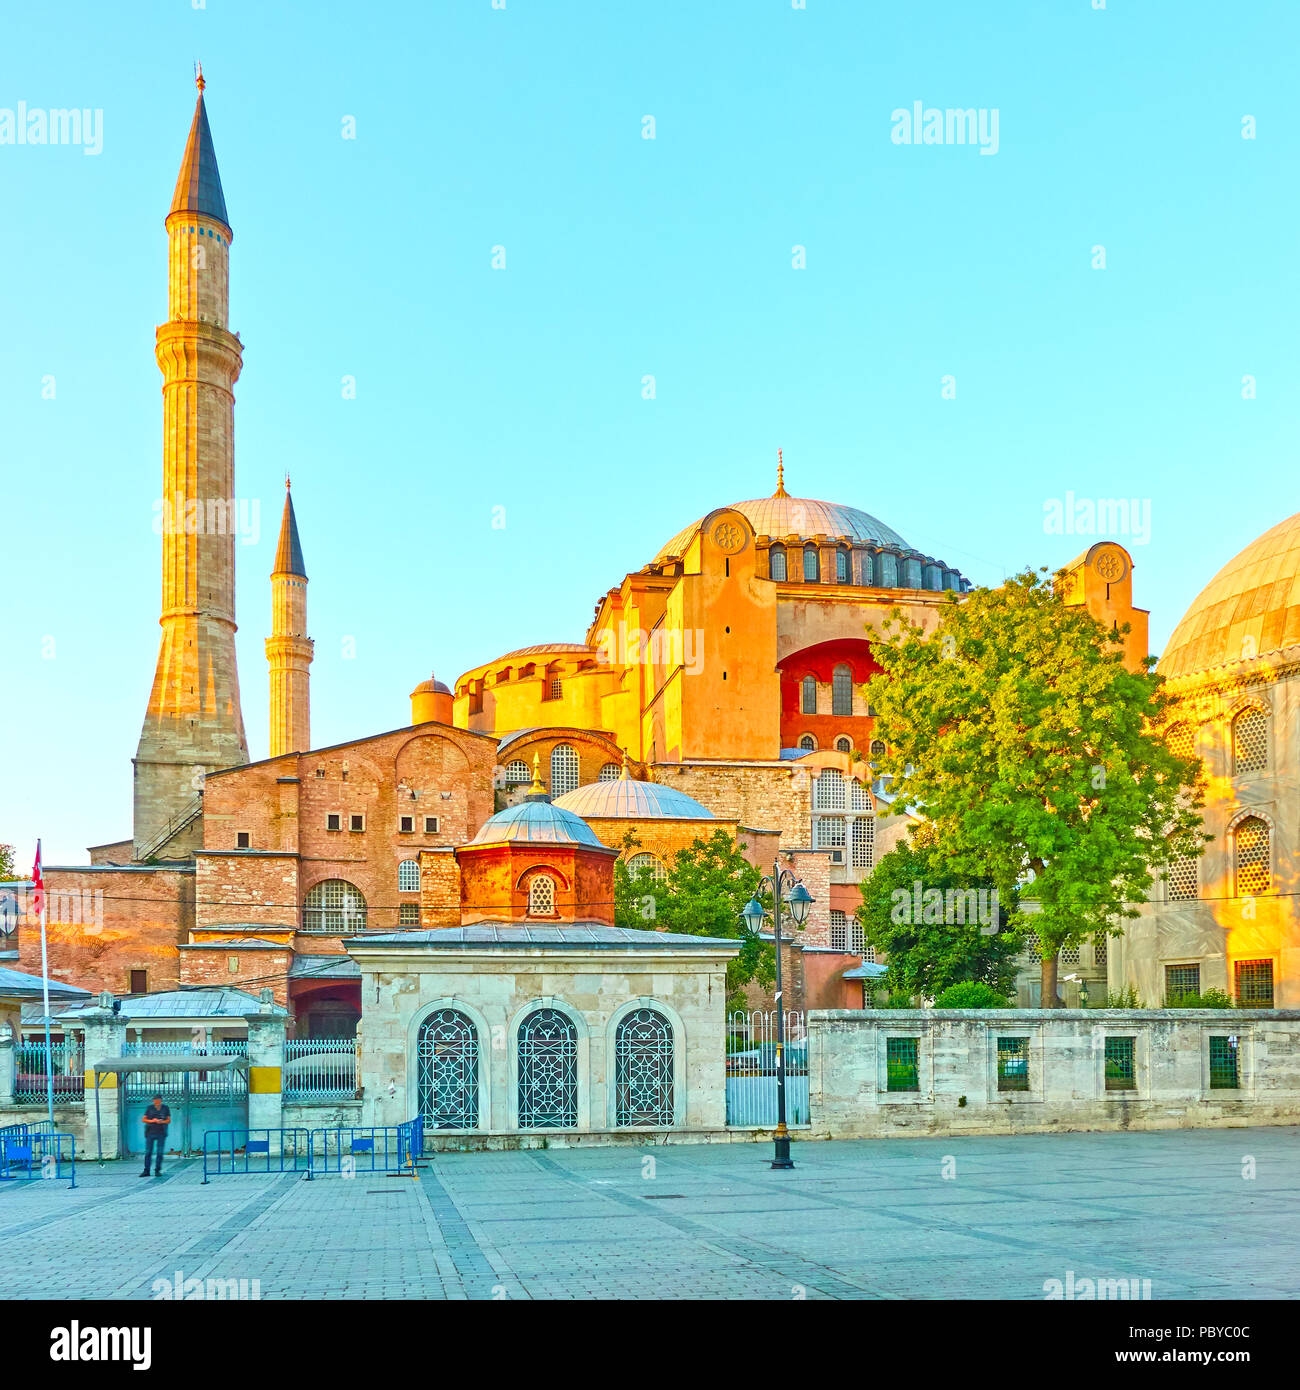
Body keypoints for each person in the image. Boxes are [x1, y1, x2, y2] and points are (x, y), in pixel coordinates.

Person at [141, 1093, 170, 1177]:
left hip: (161, 1132)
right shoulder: (150, 1108)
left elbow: (168, 1120)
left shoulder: (165, 1108)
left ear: (161, 1100)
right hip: (150, 1132)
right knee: (148, 1152)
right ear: (153, 1101)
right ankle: (146, 1170)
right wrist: (152, 1120)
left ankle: (157, 1170)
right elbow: (144, 1119)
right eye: (155, 1100)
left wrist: (162, 1122)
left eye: (158, 1100)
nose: (157, 1101)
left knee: (159, 1152)